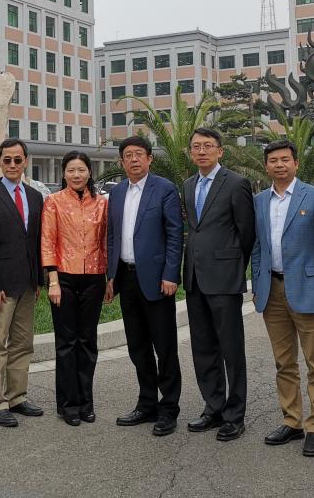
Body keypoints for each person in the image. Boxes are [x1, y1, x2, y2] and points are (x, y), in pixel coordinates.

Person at [251, 139, 314, 458]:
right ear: (266, 166)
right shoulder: (259, 200)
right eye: (273, 160)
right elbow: (258, 247)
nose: (279, 165)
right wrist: (257, 282)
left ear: (296, 163)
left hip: (308, 291)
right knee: (284, 362)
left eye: (285, 159)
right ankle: (292, 420)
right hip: (271, 290)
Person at [106, 135, 184, 437]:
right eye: (128, 155)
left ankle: (169, 407)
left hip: (157, 280)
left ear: (149, 158)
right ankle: (147, 403)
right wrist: (110, 276)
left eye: (139, 154)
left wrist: (171, 274)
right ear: (121, 161)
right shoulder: (117, 192)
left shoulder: (164, 189)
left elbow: (175, 234)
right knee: (137, 346)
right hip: (126, 279)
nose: (134, 159)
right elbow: (112, 236)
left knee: (164, 347)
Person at [182, 127, 256, 442]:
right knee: (203, 348)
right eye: (196, 146)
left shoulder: (236, 183)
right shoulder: (187, 185)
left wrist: (232, 266)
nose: (202, 151)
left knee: (231, 349)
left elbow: (246, 232)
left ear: (220, 151)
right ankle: (213, 407)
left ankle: (234, 415)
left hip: (224, 278)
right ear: (190, 152)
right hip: (195, 277)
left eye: (208, 146)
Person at [0, 138, 45, 428]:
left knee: (23, 345)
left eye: (18, 160)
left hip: (27, 285)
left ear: (25, 161)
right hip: (0, 288)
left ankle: (17, 397)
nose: (13, 165)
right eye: (7, 160)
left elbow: (36, 242)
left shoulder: (35, 197)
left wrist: (38, 279)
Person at [41, 151, 108, 426]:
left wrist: (109, 279)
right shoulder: (53, 202)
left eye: (81, 170)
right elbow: (47, 241)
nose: (76, 175)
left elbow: (106, 242)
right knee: (66, 343)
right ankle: (68, 404)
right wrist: (53, 281)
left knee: (87, 342)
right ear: (64, 173)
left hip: (94, 277)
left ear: (90, 172)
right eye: (71, 170)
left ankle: (86, 402)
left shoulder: (102, 204)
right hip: (64, 278)